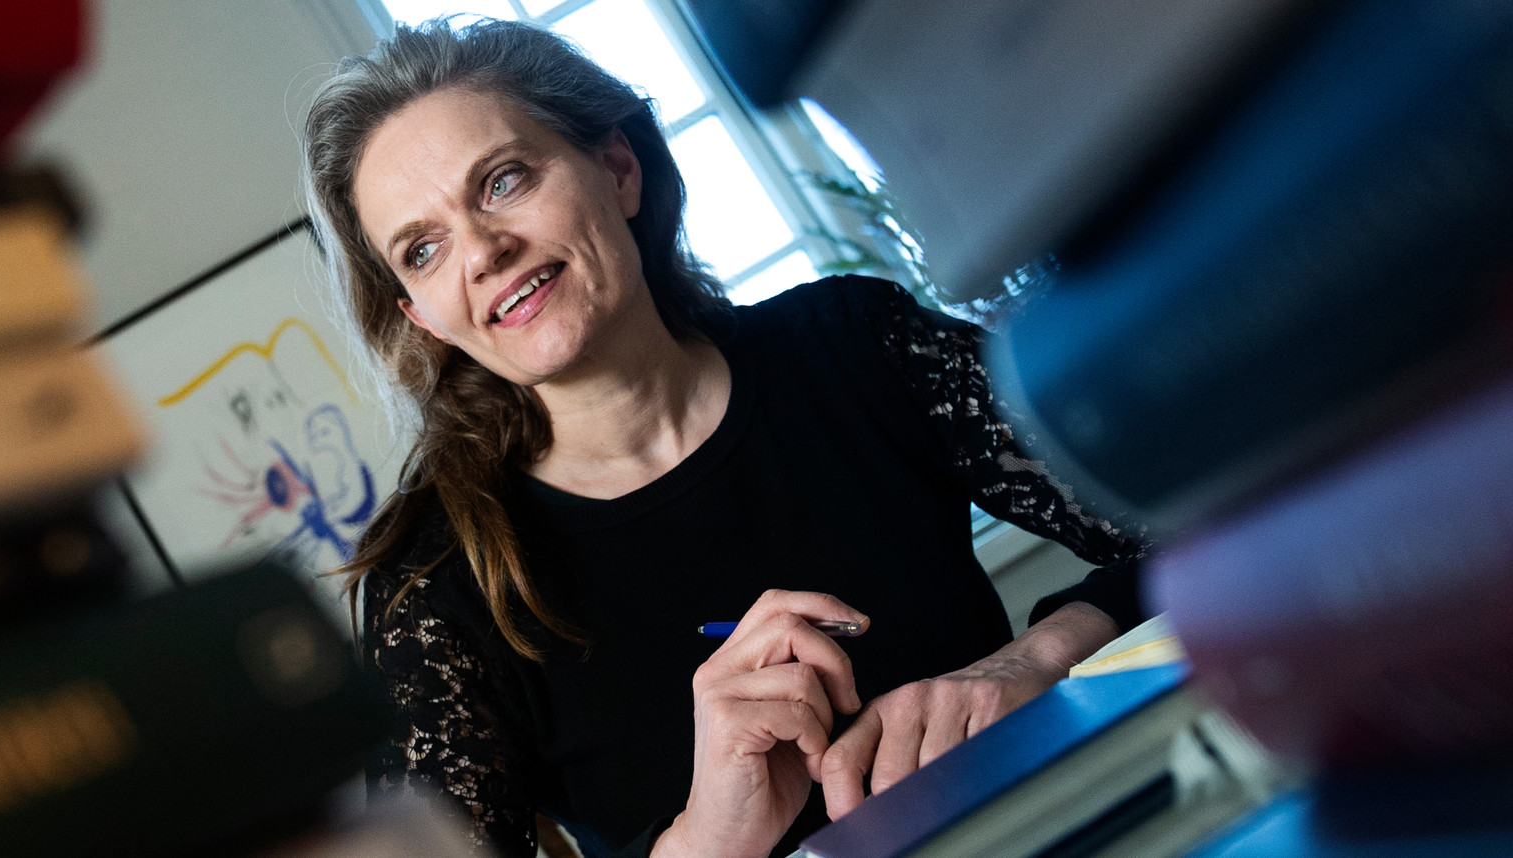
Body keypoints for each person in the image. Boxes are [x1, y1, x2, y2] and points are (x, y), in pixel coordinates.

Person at [301, 18, 1147, 858]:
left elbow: (1192, 499)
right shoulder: (431, 588)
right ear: (423, 317)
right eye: (423, 249)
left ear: (618, 169)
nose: (481, 253)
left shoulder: (858, 344)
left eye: (503, 181)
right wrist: (708, 837)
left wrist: (1033, 660)